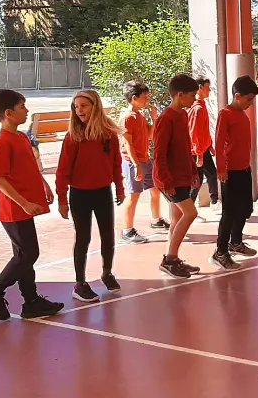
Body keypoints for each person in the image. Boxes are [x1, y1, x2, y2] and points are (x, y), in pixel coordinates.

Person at [0, 90, 65, 322]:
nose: (26, 111)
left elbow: (30, 167)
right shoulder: (3, 141)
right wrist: (24, 203)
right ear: (8, 113)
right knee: (28, 253)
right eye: (22, 107)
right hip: (14, 209)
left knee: (24, 254)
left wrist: (43, 184)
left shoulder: (21, 137)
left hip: (24, 207)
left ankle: (31, 301)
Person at [56, 90, 125, 302]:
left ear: (95, 107)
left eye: (84, 106)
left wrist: (119, 187)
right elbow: (63, 170)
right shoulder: (73, 137)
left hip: (103, 192)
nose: (79, 110)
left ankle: (107, 272)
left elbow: (115, 163)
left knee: (108, 235)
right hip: (80, 195)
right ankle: (80, 283)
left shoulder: (108, 134)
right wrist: (61, 199)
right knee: (83, 238)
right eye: (76, 107)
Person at [152, 74, 203, 277]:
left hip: (181, 175)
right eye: (192, 95)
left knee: (176, 217)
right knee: (190, 213)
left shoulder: (182, 114)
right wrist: (165, 180)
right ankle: (170, 259)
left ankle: (171, 257)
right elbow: (159, 153)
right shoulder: (166, 118)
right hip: (169, 178)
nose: (194, 99)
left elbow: (185, 146)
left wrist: (192, 170)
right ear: (180, 95)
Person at [210, 75, 258, 270]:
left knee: (245, 208)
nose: (250, 104)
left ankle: (236, 242)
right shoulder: (226, 114)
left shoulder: (242, 115)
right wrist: (221, 168)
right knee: (229, 212)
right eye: (248, 99)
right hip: (230, 172)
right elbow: (220, 142)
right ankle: (220, 251)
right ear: (237, 96)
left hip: (244, 169)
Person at [119, 81, 167, 244]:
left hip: (145, 159)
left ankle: (156, 219)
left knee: (155, 189)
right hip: (133, 162)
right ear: (134, 98)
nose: (147, 100)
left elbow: (150, 135)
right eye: (144, 97)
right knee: (133, 196)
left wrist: (154, 119)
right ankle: (127, 230)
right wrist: (136, 165)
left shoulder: (139, 115)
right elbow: (127, 143)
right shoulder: (127, 117)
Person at [188, 77, 219, 210]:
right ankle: (189, 207)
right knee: (197, 180)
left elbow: (203, 129)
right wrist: (199, 153)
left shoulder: (202, 106)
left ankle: (214, 202)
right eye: (207, 87)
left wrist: (210, 145)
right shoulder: (197, 109)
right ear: (200, 88)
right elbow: (194, 132)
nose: (209, 90)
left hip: (203, 148)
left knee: (211, 174)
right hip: (197, 150)